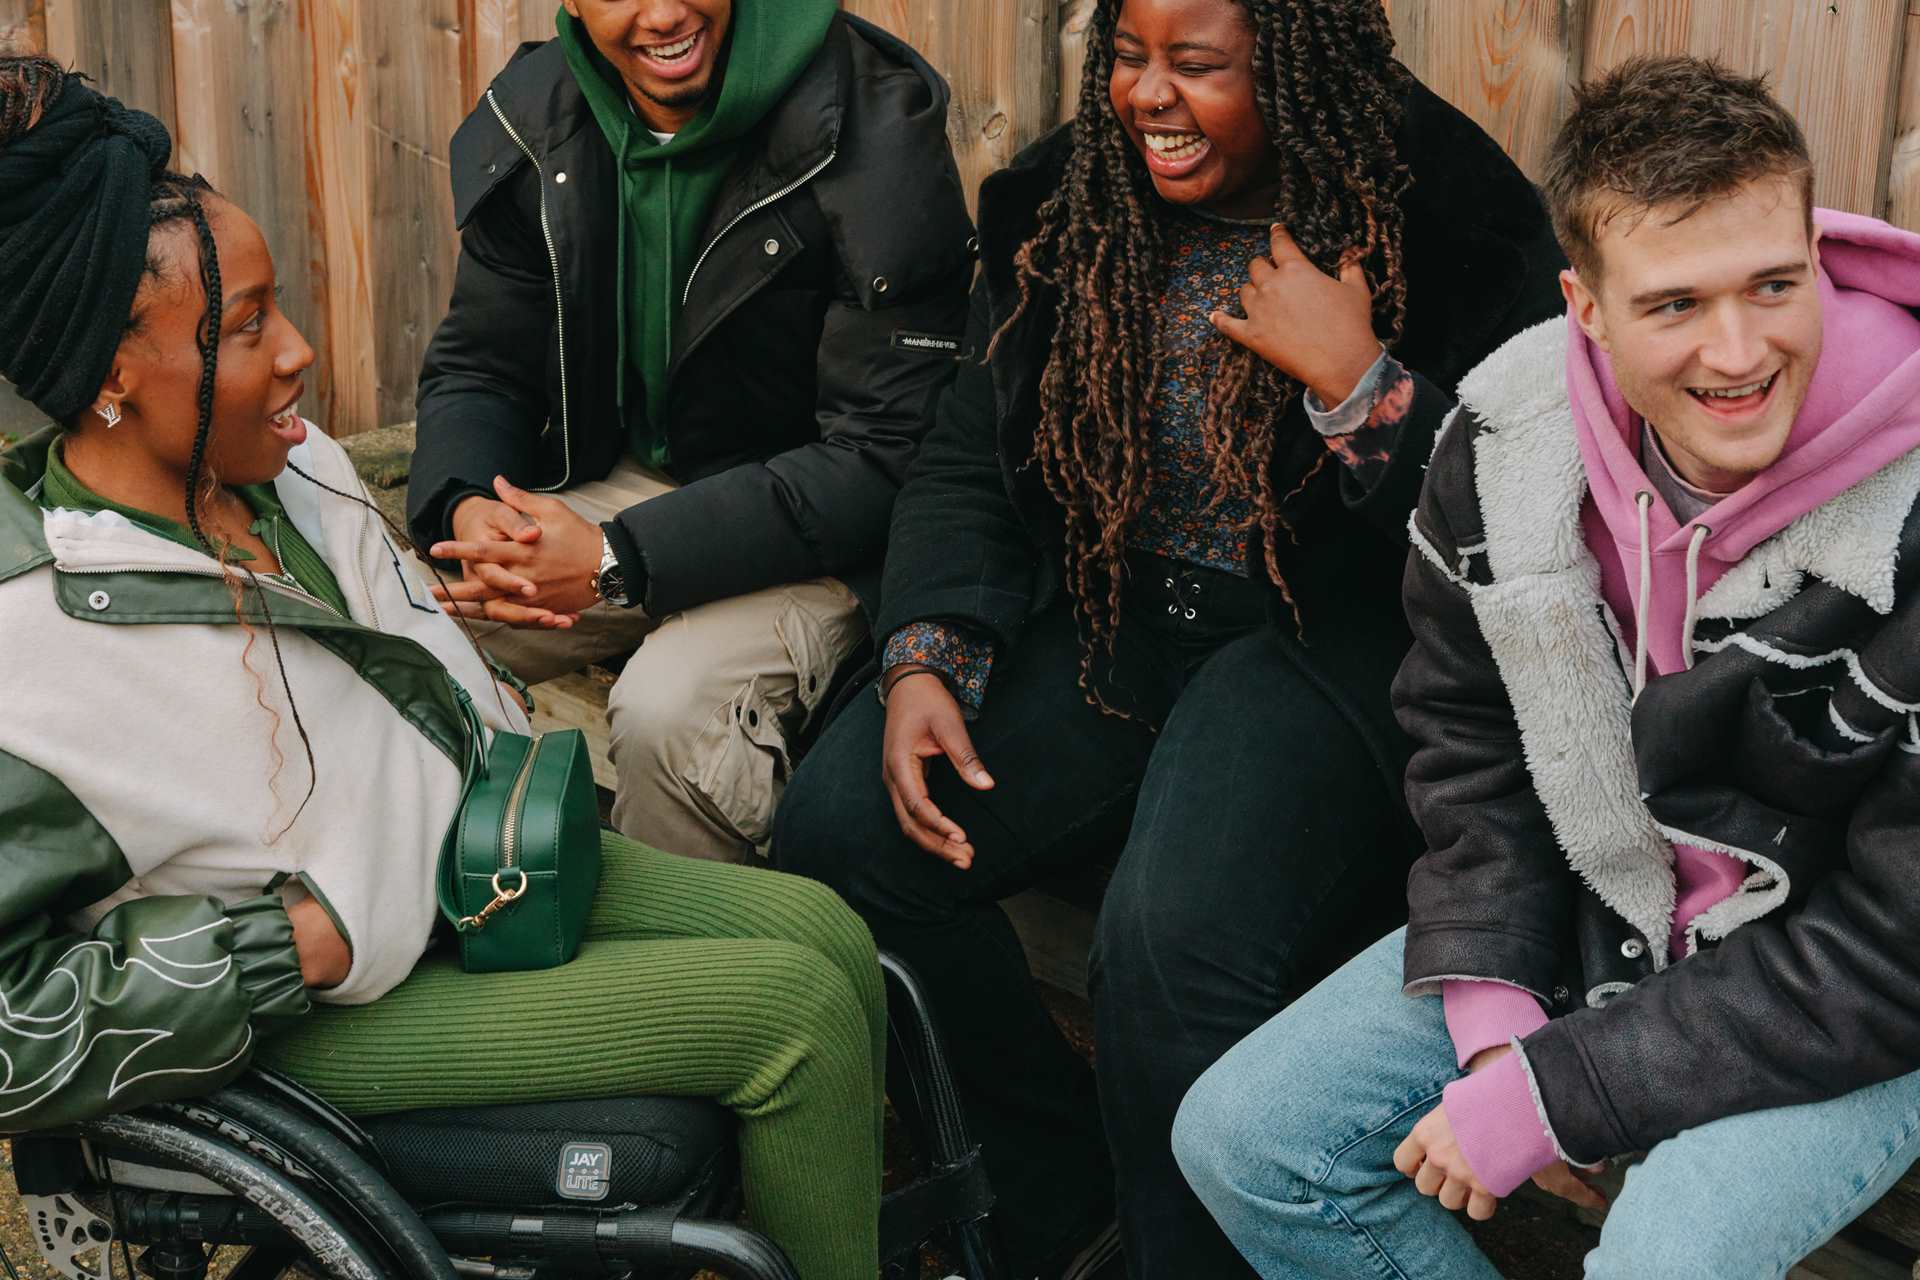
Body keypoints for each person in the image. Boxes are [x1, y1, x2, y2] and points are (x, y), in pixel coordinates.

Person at [0, 57, 885, 1279]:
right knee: (795, 1020)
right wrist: (274, 952)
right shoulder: (30, 642)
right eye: (246, 326)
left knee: (829, 935)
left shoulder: (291, 473)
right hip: (324, 1006)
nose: (303, 351)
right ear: (108, 376)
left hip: (474, 869)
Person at [770, 0, 1566, 1273]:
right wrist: (927, 644)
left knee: (1168, 938)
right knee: (846, 832)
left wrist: (1362, 387)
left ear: (1294, 66)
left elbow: (1530, 515)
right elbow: (974, 446)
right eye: (1128, 57)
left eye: (1195, 65)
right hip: (1113, 615)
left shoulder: (1450, 218)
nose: (1147, 95)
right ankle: (1051, 1194)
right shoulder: (1066, 197)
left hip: (1321, 644)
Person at [1173, 55, 1920, 1280]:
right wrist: (1493, 1018)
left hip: (1853, 989)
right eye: (1675, 304)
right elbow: (1470, 739)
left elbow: (1898, 946)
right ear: (1586, 306)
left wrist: (1562, 1091)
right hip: (1609, 908)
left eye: (1774, 286)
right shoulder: (1510, 438)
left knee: (1658, 1262)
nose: (1739, 352)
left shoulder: (1910, 503)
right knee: (1250, 1139)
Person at [407, 0, 974, 863]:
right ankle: (461, 916)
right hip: (639, 489)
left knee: (673, 714)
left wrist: (610, 560)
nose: (664, 13)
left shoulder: (870, 124)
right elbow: (483, 364)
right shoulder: (542, 112)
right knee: (405, 616)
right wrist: (465, 509)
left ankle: (700, 979)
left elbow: (886, 457)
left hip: (826, 533)